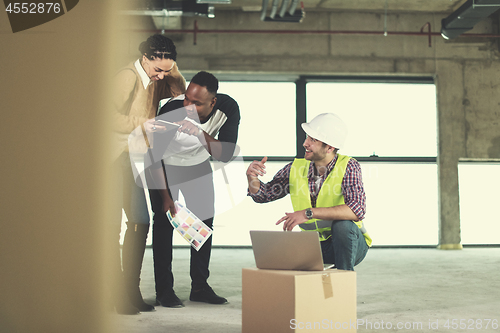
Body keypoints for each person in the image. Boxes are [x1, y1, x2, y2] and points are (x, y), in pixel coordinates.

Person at [146, 71, 240, 307]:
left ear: (213, 102)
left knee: (204, 223)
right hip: (164, 167)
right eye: (187, 98)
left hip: (197, 166)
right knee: (164, 222)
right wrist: (166, 197)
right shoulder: (170, 111)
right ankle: (164, 290)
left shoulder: (228, 109)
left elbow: (225, 154)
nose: (188, 106)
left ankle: (199, 286)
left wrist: (199, 133)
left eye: (196, 103)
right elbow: (153, 157)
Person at [111, 34, 186, 315]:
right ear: (145, 59)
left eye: (166, 71)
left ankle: (129, 289)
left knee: (140, 222)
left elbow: (179, 90)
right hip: (110, 158)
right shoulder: (127, 77)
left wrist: (169, 67)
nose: (161, 77)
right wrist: (144, 123)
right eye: (158, 70)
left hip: (129, 158)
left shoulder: (155, 80)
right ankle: (117, 293)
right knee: (115, 227)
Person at [246, 113, 372, 271]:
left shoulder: (348, 166)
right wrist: (251, 177)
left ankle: (343, 282)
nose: (305, 143)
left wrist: (308, 213)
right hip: (315, 245)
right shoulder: (296, 168)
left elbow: (357, 209)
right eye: (307, 137)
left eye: (313, 140)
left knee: (343, 226)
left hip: (350, 244)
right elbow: (263, 195)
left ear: (330, 147)